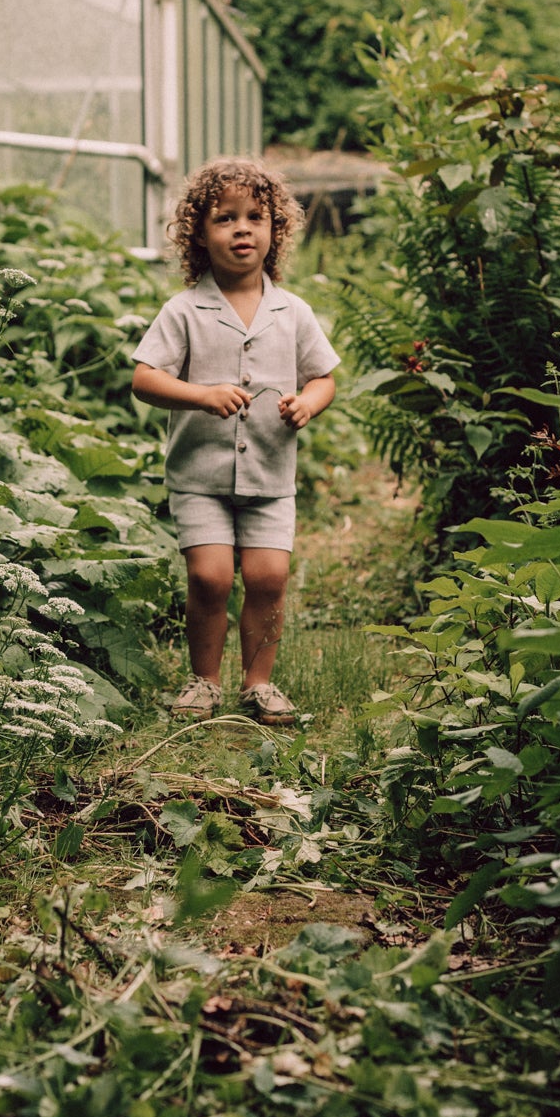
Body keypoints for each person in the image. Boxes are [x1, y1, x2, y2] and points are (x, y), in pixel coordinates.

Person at [131, 158, 338, 726]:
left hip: (270, 476)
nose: (242, 229)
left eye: (255, 217)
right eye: (225, 218)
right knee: (211, 577)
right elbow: (144, 379)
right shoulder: (184, 310)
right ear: (199, 234)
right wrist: (201, 395)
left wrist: (308, 403)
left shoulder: (292, 311)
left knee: (269, 578)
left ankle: (259, 684)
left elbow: (324, 377)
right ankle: (204, 681)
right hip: (200, 476)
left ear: (276, 230)